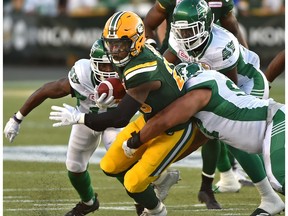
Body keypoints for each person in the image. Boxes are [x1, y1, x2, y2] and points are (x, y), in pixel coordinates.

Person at [48, 11, 207, 216]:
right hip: (151, 118)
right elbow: (130, 90)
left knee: (133, 183)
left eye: (121, 43)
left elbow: (119, 118)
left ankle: (157, 212)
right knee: (109, 165)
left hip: (173, 127)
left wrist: (79, 118)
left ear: (136, 41)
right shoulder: (132, 54)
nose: (114, 50)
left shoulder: (142, 70)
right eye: (111, 43)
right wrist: (114, 93)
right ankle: (160, 183)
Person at [4, 38, 179, 216]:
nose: (109, 72)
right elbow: (48, 90)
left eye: (112, 66)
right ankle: (88, 202)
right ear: (93, 65)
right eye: (103, 67)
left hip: (116, 122)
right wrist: (17, 118)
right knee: (74, 165)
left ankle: (144, 200)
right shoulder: (83, 74)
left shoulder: (130, 73)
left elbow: (121, 116)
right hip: (85, 119)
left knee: (117, 155)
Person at [124, 62, 285, 216]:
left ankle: (270, 197)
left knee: (279, 178)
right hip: (270, 127)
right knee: (273, 174)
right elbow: (191, 144)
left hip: (276, 120)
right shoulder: (206, 108)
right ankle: (270, 200)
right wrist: (158, 166)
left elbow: (165, 120)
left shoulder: (199, 92)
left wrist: (136, 141)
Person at [144, 0, 251, 208]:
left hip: (213, 59)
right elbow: (149, 24)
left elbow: (232, 28)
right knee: (156, 117)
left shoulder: (221, 38)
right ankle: (155, 175)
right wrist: (154, 54)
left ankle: (209, 186)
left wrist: (247, 59)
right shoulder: (176, 31)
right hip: (178, 55)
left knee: (213, 124)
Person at [164, 0, 270, 208]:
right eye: (181, 31)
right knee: (210, 127)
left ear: (204, 25)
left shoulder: (220, 45)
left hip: (247, 81)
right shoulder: (178, 40)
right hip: (217, 81)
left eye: (190, 31)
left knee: (237, 135)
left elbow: (231, 87)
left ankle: (270, 191)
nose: (184, 36)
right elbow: (165, 66)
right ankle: (208, 187)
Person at [144, 0, 248, 54]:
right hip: (174, 54)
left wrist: (248, 57)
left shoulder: (221, 2)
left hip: (210, 57)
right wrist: (152, 50)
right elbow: (148, 24)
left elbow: (234, 31)